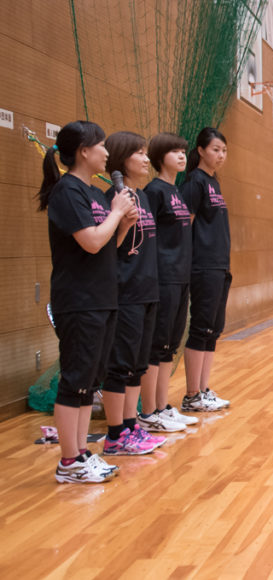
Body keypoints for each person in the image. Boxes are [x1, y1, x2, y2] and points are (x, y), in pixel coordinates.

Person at [39, 120, 135, 483]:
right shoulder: (67, 192)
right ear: (84, 151)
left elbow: (109, 245)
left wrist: (123, 223)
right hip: (79, 301)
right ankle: (69, 461)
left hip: (103, 297)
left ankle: (81, 454)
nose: (107, 153)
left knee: (89, 383)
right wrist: (114, 214)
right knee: (75, 381)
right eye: (101, 146)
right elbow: (91, 242)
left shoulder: (95, 193)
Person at [101, 132, 167, 457]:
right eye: (138, 153)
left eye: (145, 153)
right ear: (122, 158)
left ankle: (131, 425)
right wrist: (122, 223)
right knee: (120, 364)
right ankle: (115, 435)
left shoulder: (143, 196)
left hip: (147, 292)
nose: (145, 159)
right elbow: (104, 250)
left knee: (138, 366)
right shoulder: (112, 199)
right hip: (124, 293)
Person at [138, 133, 197, 434]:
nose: (181, 156)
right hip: (162, 277)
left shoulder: (177, 193)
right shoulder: (154, 191)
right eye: (174, 151)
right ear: (160, 157)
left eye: (183, 151)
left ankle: (162, 406)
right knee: (156, 345)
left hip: (181, 276)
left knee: (169, 345)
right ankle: (148, 411)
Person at [180, 127, 232, 412]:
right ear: (200, 151)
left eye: (224, 150)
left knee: (213, 329)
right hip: (202, 266)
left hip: (219, 265)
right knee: (200, 328)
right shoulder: (194, 183)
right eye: (215, 149)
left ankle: (202, 389)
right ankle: (191, 395)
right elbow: (184, 226)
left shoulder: (215, 183)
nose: (220, 155)